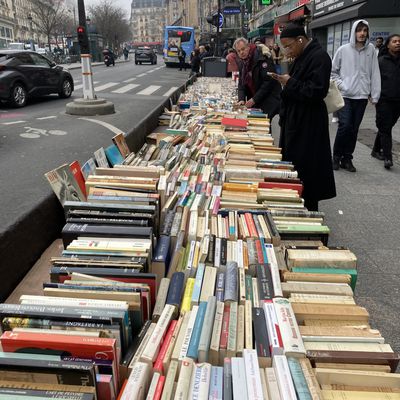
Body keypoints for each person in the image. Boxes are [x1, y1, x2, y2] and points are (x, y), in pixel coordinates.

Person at [271, 21, 336, 211]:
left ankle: (308, 209)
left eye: (289, 46)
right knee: (295, 166)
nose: (287, 51)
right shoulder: (302, 56)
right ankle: (297, 201)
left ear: (300, 40)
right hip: (296, 120)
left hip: (309, 123)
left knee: (307, 170)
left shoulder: (319, 57)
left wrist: (289, 82)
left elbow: (316, 91)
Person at [331, 20, 381, 172]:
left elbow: (374, 71)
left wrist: (375, 93)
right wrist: (342, 85)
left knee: (353, 129)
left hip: (361, 96)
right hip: (346, 95)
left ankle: (347, 158)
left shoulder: (371, 49)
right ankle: (336, 156)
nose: (362, 33)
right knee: (345, 126)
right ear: (354, 32)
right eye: (359, 30)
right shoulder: (343, 49)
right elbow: (333, 72)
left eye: (365, 30)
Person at [234, 37, 281, 121]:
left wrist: (254, 99)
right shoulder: (242, 63)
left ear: (248, 47)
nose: (241, 52)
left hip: (268, 98)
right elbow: (241, 83)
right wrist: (241, 99)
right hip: (256, 98)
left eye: (243, 49)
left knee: (264, 123)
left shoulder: (262, 56)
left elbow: (269, 81)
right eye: (238, 51)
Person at [371, 34, 400, 169]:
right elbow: (374, 79)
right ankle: (387, 157)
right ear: (388, 45)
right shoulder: (381, 61)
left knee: (385, 127)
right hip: (384, 100)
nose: (397, 43)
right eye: (394, 41)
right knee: (386, 128)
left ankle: (376, 150)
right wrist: (373, 96)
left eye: (399, 41)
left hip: (398, 101)